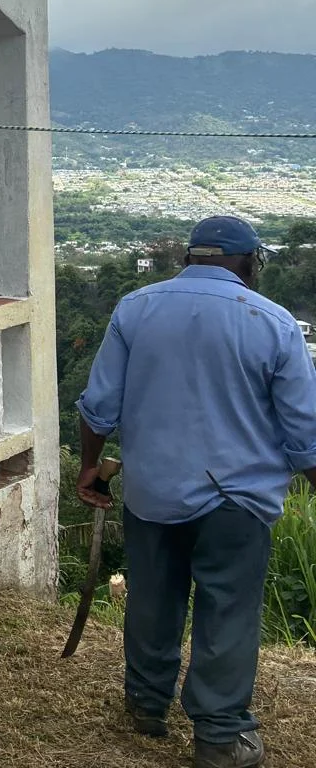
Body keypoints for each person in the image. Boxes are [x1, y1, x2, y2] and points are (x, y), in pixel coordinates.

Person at [75, 215, 316, 768]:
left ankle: (146, 703)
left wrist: (89, 468)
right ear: (250, 262)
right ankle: (220, 736)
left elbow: (99, 405)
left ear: (189, 258)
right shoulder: (273, 322)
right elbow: (306, 436)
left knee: (152, 597)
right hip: (238, 498)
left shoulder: (136, 308)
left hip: (152, 489)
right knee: (227, 609)